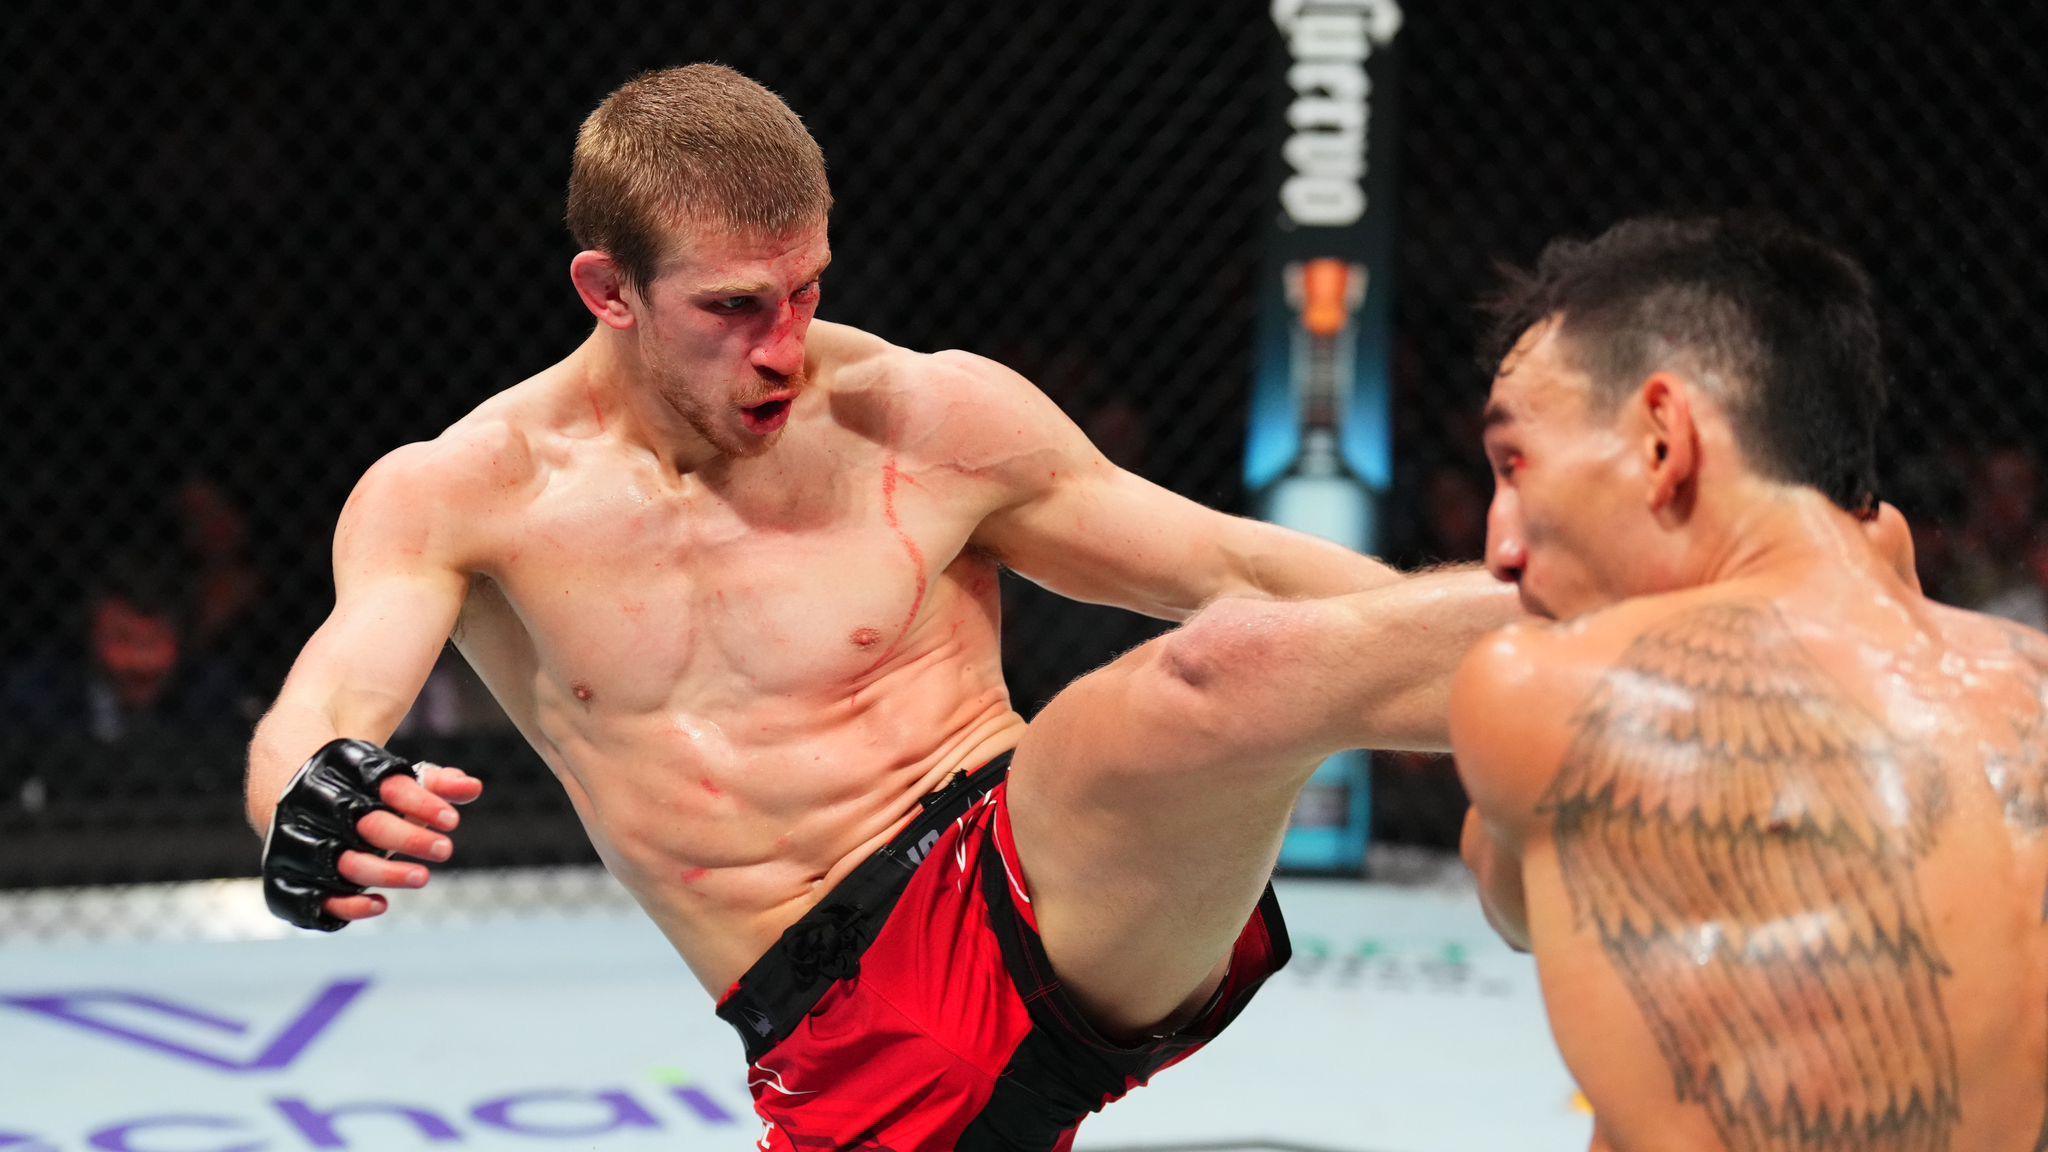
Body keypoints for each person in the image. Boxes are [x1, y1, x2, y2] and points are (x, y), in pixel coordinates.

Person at [244, 64, 1519, 1150]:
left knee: (1221, 670)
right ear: (606, 289)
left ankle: (1635, 665)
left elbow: (1236, 571)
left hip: (1029, 866)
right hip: (841, 1032)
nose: (786, 344)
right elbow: (325, 710)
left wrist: (1519, 638)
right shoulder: (464, 494)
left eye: (805, 288)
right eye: (733, 307)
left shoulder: (921, 415)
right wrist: (313, 807)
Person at [1449, 215, 2048, 1151]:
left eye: (1515, 466)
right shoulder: (2028, 687)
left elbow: (1512, 902)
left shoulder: (1542, 692)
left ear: (1663, 439)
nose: (1502, 549)